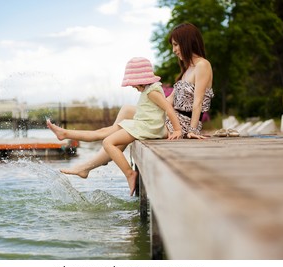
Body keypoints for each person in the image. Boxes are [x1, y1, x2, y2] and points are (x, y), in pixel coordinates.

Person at [53, 22, 214, 186]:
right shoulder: (187, 69)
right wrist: (149, 97)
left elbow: (198, 101)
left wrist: (192, 131)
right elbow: (168, 102)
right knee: (126, 111)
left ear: (187, 41)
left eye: (175, 44)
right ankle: (99, 156)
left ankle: (91, 162)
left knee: (116, 133)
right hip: (172, 118)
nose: (174, 50)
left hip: (183, 125)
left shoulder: (203, 65)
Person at [47, 57, 182, 195]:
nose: (133, 87)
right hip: (143, 124)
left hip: (147, 128)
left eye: (133, 83)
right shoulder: (150, 89)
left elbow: (168, 108)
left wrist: (177, 129)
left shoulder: (152, 91)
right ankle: (64, 133)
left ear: (140, 80)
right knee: (103, 132)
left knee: (108, 142)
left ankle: (129, 173)